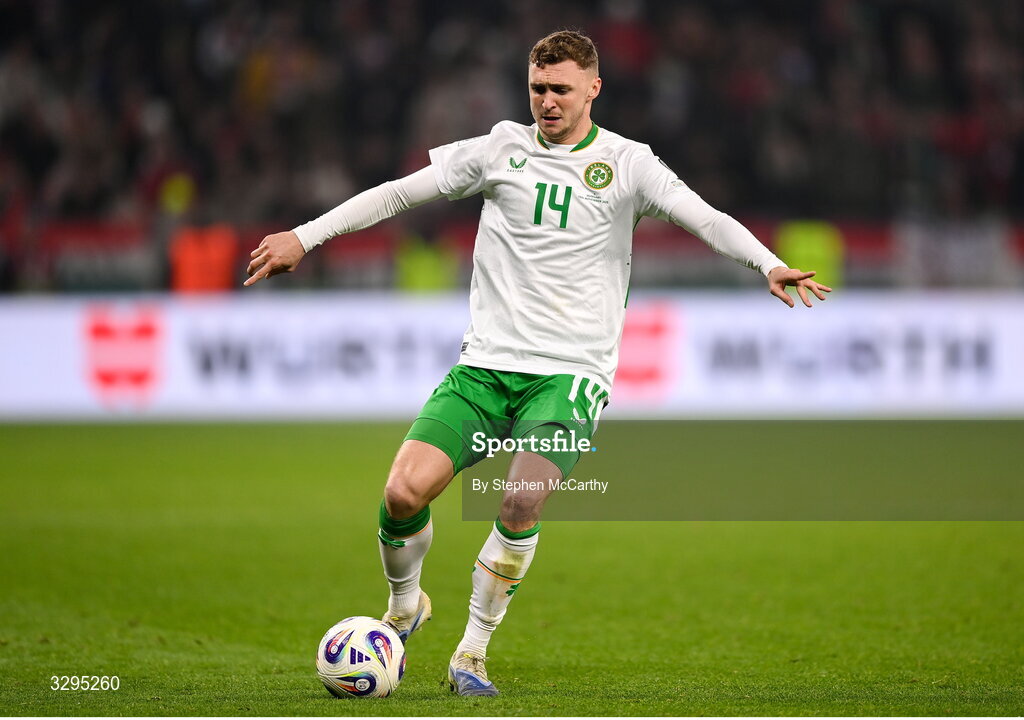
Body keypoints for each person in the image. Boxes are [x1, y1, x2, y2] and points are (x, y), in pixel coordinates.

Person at [244, 30, 831, 697]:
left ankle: (471, 654)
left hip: (570, 373)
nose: (547, 103)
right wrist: (305, 236)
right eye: (537, 89)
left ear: (593, 89)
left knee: (521, 498)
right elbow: (399, 193)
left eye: (560, 89)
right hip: (486, 367)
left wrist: (768, 262)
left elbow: (706, 217)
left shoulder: (628, 163)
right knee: (402, 493)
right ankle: (405, 606)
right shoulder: (501, 147)